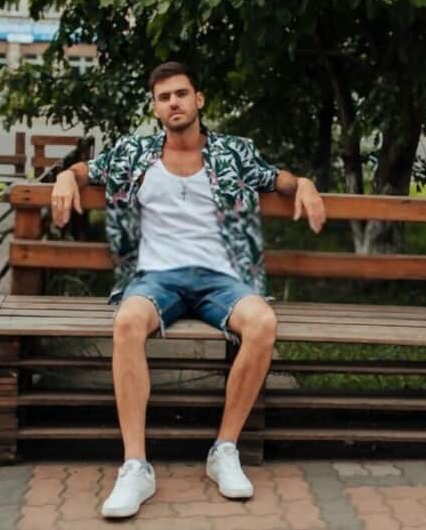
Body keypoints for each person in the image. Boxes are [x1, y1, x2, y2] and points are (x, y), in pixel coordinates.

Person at [50, 61, 326, 518]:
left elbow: (278, 179)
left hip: (222, 277)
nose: (173, 102)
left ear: (199, 100)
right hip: (156, 277)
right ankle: (136, 465)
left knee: (262, 322)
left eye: (181, 93)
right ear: (156, 108)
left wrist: (308, 185)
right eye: (163, 97)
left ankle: (224, 450)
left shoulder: (234, 152)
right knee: (127, 323)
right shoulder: (134, 152)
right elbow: (86, 170)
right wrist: (64, 177)